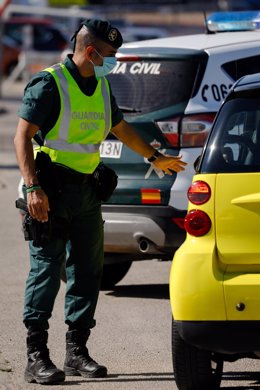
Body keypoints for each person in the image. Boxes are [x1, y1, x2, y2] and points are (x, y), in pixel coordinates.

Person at [14, 19, 187, 385]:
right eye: (109, 54)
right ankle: (36, 355)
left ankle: (76, 351)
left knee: (87, 273)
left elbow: (119, 127)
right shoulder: (50, 83)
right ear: (90, 52)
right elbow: (22, 136)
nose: (114, 61)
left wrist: (155, 157)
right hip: (51, 192)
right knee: (46, 272)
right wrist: (33, 188)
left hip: (87, 193)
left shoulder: (102, 85)